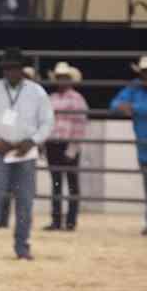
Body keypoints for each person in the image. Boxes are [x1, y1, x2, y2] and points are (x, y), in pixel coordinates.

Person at [0, 48, 55, 260]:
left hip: (25, 152)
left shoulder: (37, 92)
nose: (11, 72)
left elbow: (47, 122)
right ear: (3, 70)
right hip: (0, 151)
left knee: (25, 200)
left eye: (15, 68)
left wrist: (33, 141)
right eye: (7, 68)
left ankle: (22, 247)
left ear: (22, 69)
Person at [109, 56, 147, 235]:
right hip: (146, 148)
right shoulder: (135, 87)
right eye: (145, 72)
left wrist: (134, 107)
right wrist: (136, 108)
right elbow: (114, 104)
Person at [44, 62, 88, 231]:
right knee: (56, 183)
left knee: (71, 183)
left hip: (68, 143)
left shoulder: (77, 99)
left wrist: (73, 148)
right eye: (59, 77)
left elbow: (80, 125)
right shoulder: (51, 98)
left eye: (64, 77)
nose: (61, 80)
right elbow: (45, 122)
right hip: (52, 144)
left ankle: (70, 221)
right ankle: (56, 220)